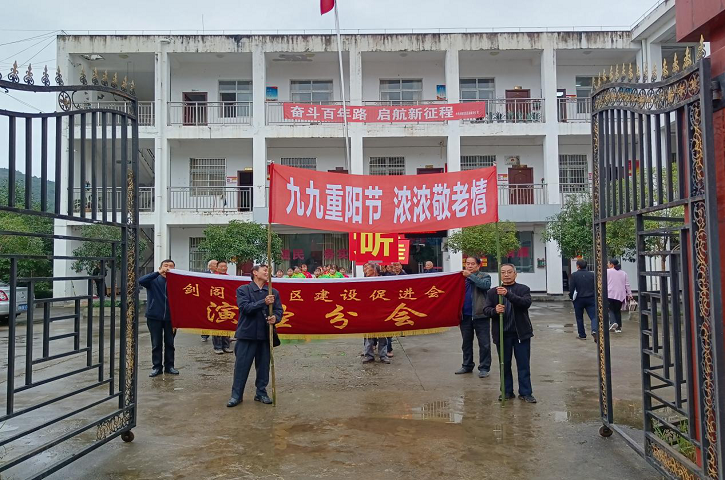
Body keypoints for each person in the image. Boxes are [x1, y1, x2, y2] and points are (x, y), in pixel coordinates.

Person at [227, 264, 283, 407]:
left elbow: (278, 310)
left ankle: (261, 393)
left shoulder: (273, 292)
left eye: (269, 271)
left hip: (265, 335)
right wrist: (263, 302)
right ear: (255, 273)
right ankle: (236, 395)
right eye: (265, 270)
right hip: (247, 334)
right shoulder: (243, 290)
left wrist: (275, 318)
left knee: (263, 367)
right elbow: (245, 308)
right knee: (241, 367)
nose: (267, 272)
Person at [484, 264, 535, 403]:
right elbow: (486, 310)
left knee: (523, 365)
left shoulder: (523, 289)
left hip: (521, 334)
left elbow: (525, 303)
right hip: (502, 334)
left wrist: (508, 294)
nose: (506, 275)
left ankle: (526, 392)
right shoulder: (492, 292)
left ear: (515, 274)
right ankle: (506, 391)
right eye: (503, 272)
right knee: (504, 364)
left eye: (509, 272)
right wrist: (495, 310)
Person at [139, 259, 179, 377]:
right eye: (165, 266)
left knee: (170, 343)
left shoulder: (177, 282)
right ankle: (157, 367)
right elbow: (141, 281)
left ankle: (169, 366)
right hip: (154, 316)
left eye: (171, 266)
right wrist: (158, 273)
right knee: (156, 343)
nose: (168, 268)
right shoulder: (153, 280)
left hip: (171, 318)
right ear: (160, 268)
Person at [455, 257, 492, 378]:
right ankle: (467, 365)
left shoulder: (484, 276)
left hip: (481, 315)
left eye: (472, 264)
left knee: (484, 343)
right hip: (465, 316)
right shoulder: (461, 278)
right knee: (466, 342)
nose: (469, 266)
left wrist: (470, 276)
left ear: (478, 266)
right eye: (467, 263)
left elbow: (485, 286)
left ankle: (484, 368)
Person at [362, 263, 389, 364]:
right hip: (368, 312)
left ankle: (383, 355)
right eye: (365, 268)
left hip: (381, 311)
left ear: (374, 270)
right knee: (368, 335)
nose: (365, 270)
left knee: (382, 335)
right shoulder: (363, 282)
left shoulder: (383, 281)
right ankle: (369, 355)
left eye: (367, 268)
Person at [569, 259, 597, 342]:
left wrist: (571, 297)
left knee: (579, 317)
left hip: (579, 299)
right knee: (594, 316)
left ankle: (582, 335)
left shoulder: (574, 275)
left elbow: (571, 288)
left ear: (578, 266)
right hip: (591, 298)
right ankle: (594, 330)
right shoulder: (592, 275)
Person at [211, 261, 234, 354]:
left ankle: (226, 346)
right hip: (216, 306)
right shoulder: (212, 277)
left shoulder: (229, 278)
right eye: (221, 266)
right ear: (216, 268)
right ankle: (217, 347)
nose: (224, 268)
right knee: (217, 327)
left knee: (226, 326)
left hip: (226, 305)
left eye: (225, 266)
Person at [607, 258, 632, 333]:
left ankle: (613, 322)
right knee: (617, 310)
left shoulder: (607, 272)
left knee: (610, 309)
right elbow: (627, 285)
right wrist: (630, 294)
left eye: (608, 263)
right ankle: (618, 328)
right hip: (620, 295)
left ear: (612, 264)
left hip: (610, 293)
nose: (607, 265)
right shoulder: (623, 273)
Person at [201, 259, 218, 342]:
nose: (217, 266)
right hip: (207, 299)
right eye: (215, 264)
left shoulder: (221, 274)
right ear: (209, 266)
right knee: (207, 317)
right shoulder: (205, 275)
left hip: (217, 298)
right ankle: (204, 335)